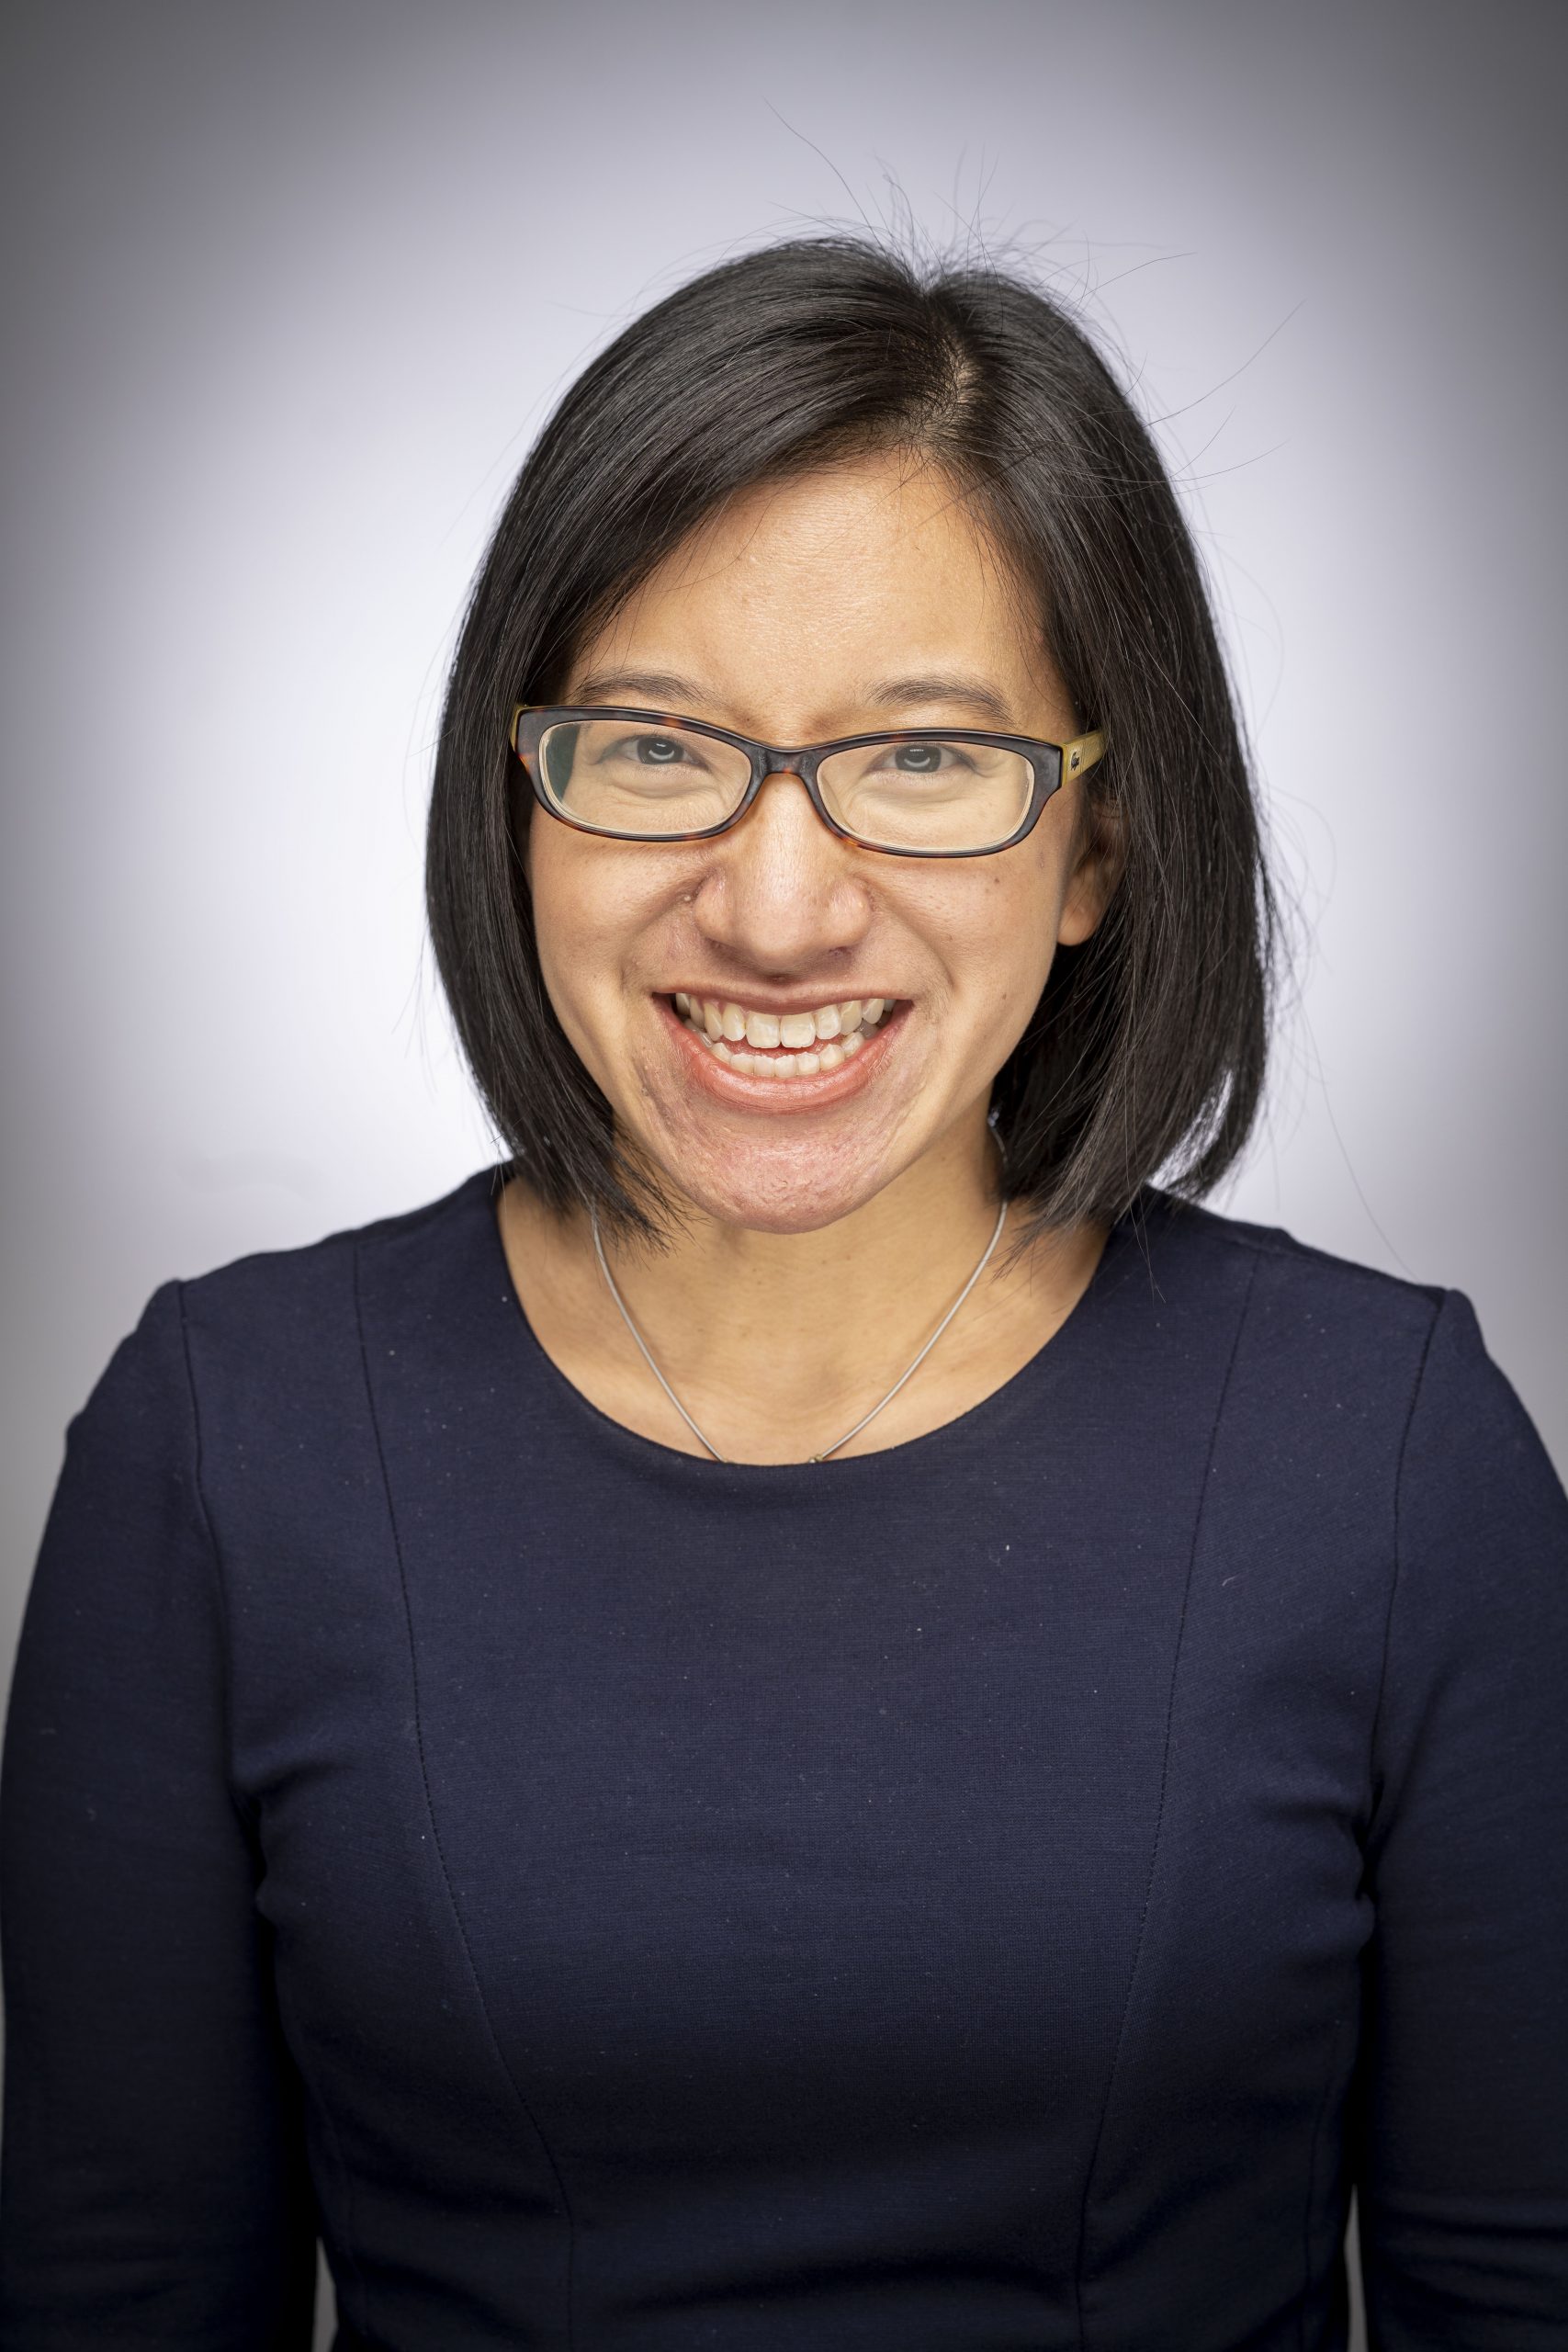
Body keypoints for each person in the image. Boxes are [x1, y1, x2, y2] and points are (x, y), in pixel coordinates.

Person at [1, 234, 1563, 2352]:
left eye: (919, 761)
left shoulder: (1383, 1457)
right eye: (654, 747)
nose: (774, 904)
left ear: (1097, 844)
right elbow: (116, 2296)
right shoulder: (226, 1443)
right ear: (519, 794)